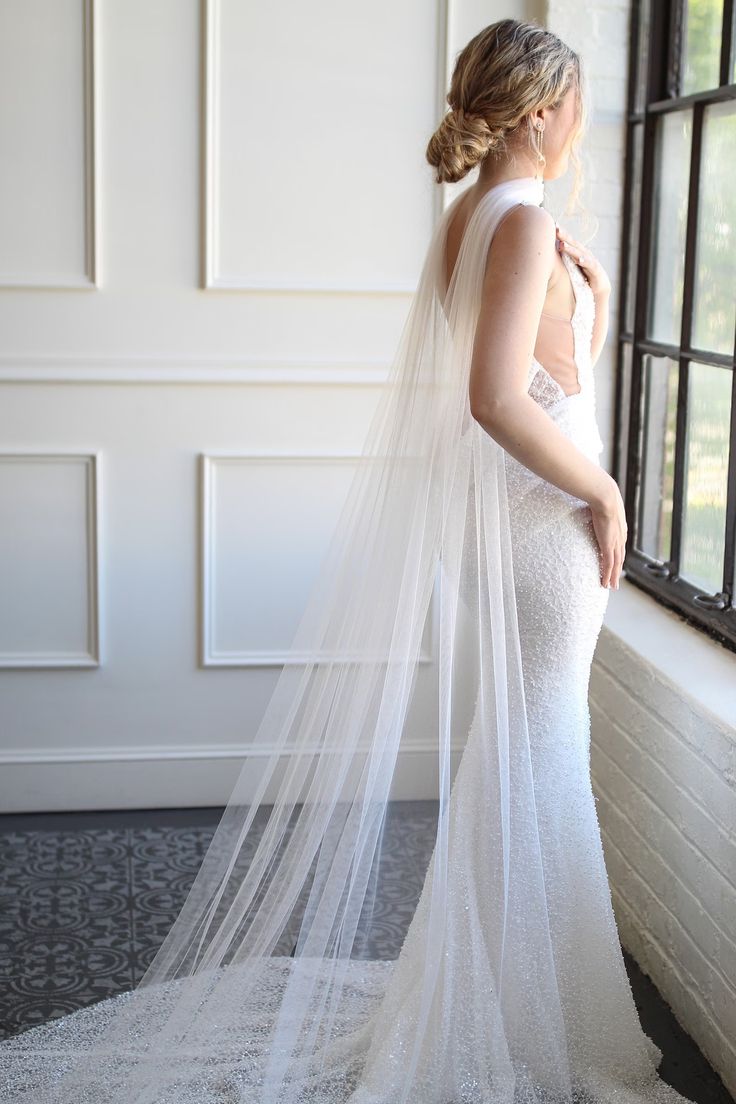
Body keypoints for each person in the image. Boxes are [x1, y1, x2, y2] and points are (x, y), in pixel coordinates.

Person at [0, 18, 699, 1104]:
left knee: (517, 767)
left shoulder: (476, 217)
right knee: (537, 766)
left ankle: (506, 994)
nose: (581, 125)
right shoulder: (513, 224)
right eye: (574, 105)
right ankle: (527, 1015)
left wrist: (582, 291)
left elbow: (506, 370)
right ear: (540, 111)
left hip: (511, 531)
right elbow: (492, 396)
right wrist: (602, 490)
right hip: (543, 532)